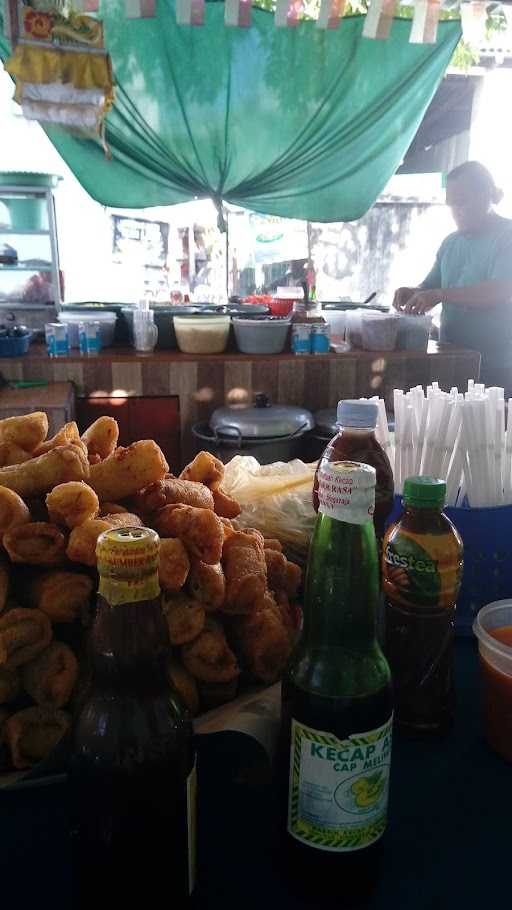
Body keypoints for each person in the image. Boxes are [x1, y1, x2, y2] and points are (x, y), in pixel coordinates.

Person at [393, 161, 512, 390]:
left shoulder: (506, 237)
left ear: (487, 195)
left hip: (496, 366)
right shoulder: (451, 243)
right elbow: (431, 287)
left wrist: (439, 294)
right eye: (451, 204)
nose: (456, 211)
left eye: (463, 202)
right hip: (452, 360)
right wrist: (413, 294)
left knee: (490, 425)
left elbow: (499, 291)